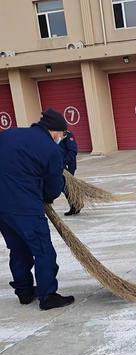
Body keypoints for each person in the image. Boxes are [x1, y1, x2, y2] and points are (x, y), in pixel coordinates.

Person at [0, 109, 75, 310]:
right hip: (26, 207)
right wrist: (46, 197)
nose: (62, 137)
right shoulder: (51, 150)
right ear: (55, 132)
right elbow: (53, 186)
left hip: (2, 208)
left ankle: (24, 292)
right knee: (43, 251)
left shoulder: (8, 134)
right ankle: (48, 296)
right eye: (63, 134)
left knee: (17, 249)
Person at [61, 130, 82, 216]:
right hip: (60, 165)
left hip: (68, 166)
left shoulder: (67, 136)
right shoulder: (55, 136)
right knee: (64, 186)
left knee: (67, 186)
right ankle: (76, 204)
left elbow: (72, 151)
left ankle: (75, 205)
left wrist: (65, 163)